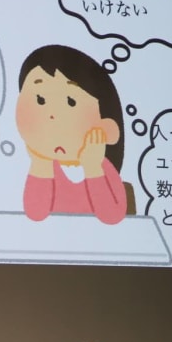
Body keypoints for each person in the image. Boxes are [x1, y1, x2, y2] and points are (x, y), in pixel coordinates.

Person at [15, 45, 127, 224]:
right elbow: (35, 214)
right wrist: (40, 164)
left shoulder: (100, 167)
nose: (53, 116)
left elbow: (112, 217)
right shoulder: (45, 167)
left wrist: (92, 168)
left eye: (71, 102)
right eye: (40, 100)